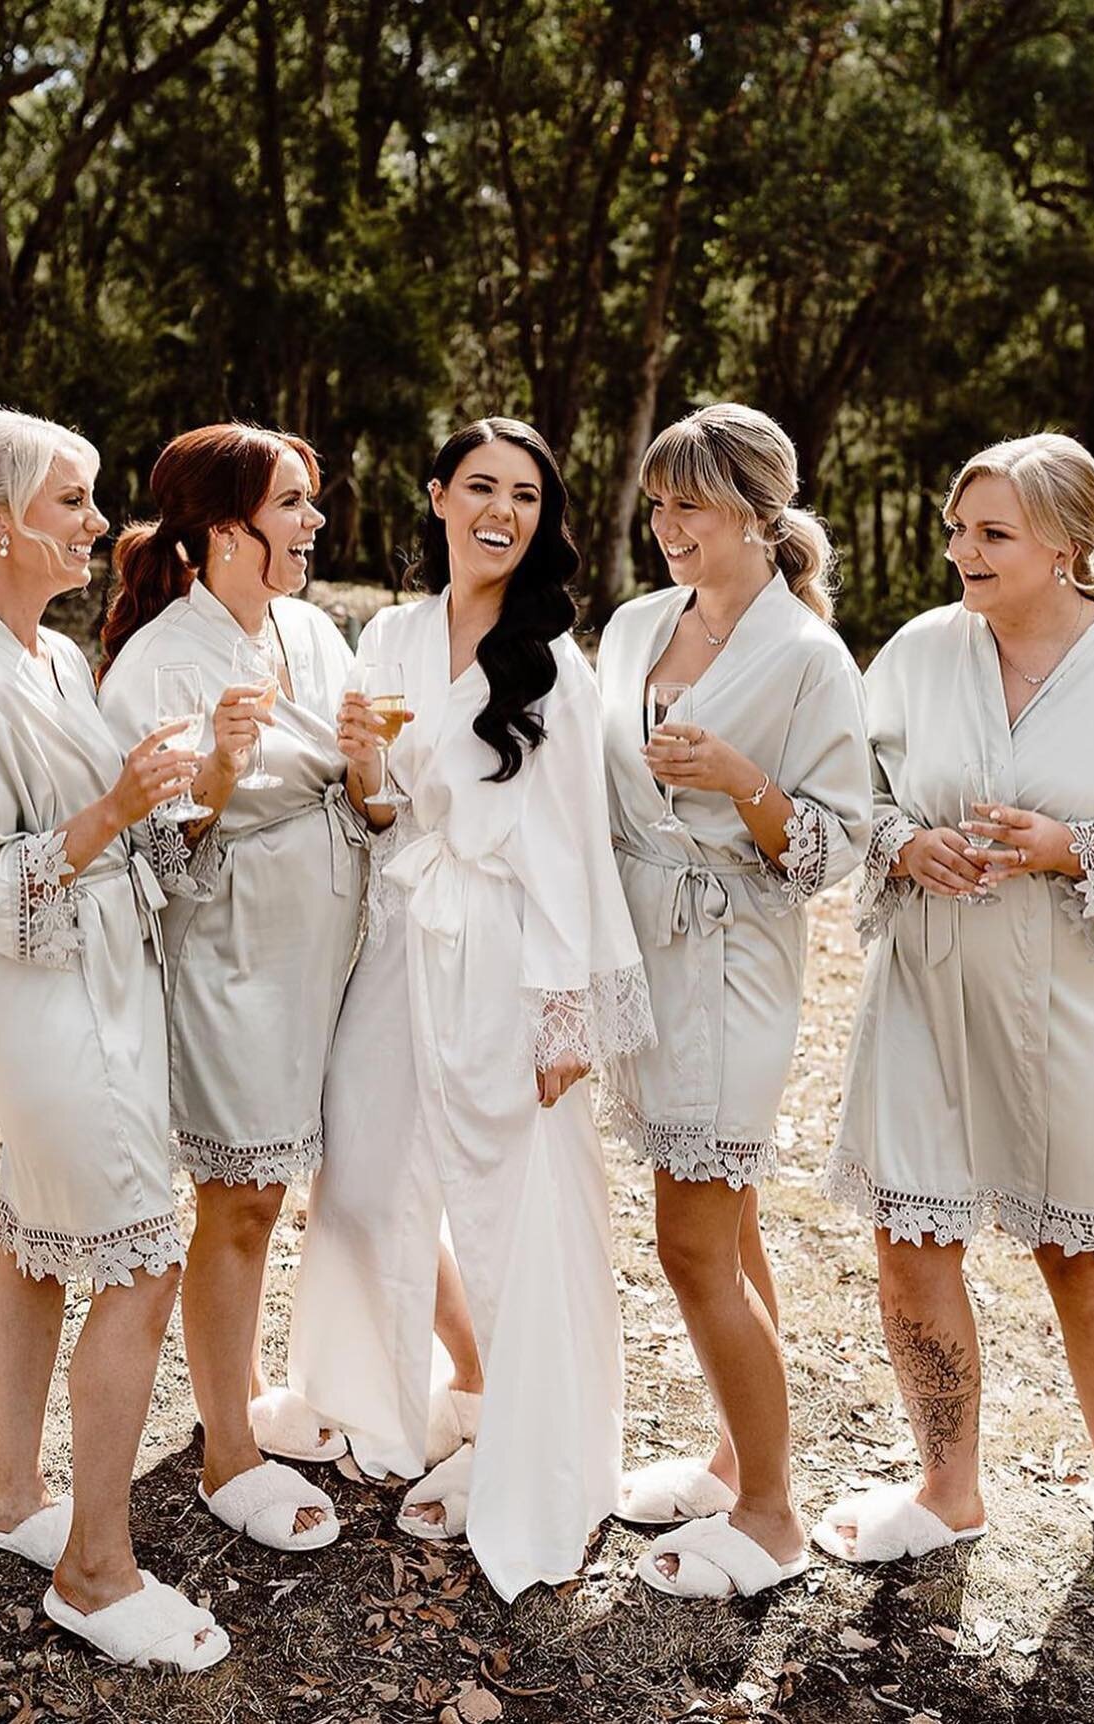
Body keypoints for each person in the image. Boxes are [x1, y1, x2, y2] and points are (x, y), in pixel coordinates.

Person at [818, 432, 1094, 1612]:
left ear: (1064, 543)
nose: (964, 552)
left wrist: (1071, 846)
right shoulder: (916, 652)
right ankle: (948, 1486)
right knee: (910, 1239)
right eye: (957, 531)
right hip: (924, 985)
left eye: (991, 533)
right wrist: (903, 840)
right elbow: (858, 792)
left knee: (1087, 1256)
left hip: (1070, 1002)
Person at [0, 408, 228, 1671]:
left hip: (103, 977)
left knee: (33, 1228)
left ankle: (16, 1493)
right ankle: (96, 1566)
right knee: (139, 1262)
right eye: (73, 500)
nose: (95, 521)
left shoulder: (53, 657)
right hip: (43, 996)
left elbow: (101, 828)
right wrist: (117, 807)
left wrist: (174, 789)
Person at [286, 417, 654, 1600]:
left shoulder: (552, 658)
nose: (502, 510)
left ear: (544, 522)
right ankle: (372, 1401)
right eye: (481, 486)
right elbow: (384, 812)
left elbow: (570, 851)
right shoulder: (389, 632)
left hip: (505, 946)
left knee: (513, 1201)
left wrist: (564, 1013)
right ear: (437, 493)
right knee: (364, 1170)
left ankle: (531, 1442)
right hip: (401, 932)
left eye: (529, 496)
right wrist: (361, 771)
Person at [599, 404, 871, 1600]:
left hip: (735, 960)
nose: (665, 527)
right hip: (641, 950)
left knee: (691, 1237)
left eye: (690, 507)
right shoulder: (633, 625)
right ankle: (734, 1455)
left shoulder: (809, 658)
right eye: (658, 504)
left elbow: (836, 845)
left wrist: (743, 779)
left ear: (761, 519)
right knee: (734, 1220)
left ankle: (771, 1513)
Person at [97, 423, 360, 1551]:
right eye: (292, 506)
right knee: (242, 1192)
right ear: (222, 531)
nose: (312, 524)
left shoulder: (313, 627)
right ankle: (225, 1450)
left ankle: (249, 1388)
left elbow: (367, 779)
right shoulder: (157, 660)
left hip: (336, 935)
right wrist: (213, 772)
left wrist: (374, 768)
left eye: (308, 503)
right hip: (232, 944)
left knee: (306, 1174)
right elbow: (150, 851)